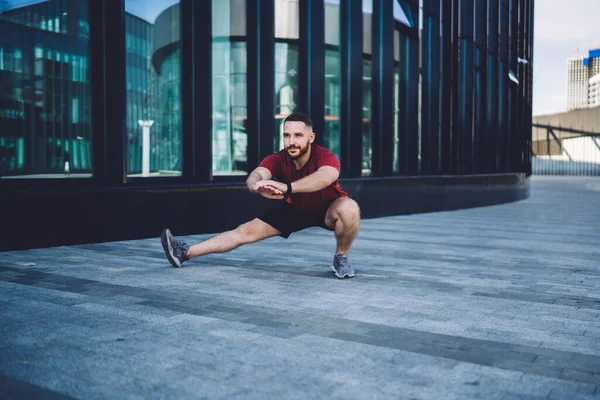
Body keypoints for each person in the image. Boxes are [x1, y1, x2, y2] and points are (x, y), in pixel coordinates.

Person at [160, 112, 361, 278]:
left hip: (328, 207)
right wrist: (257, 185)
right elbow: (255, 175)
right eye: (287, 135)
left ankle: (340, 258)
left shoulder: (325, 156)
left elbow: (325, 177)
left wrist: (287, 188)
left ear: (311, 137)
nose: (291, 142)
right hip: (297, 209)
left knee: (349, 208)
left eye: (298, 136)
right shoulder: (278, 158)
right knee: (244, 231)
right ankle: (184, 252)